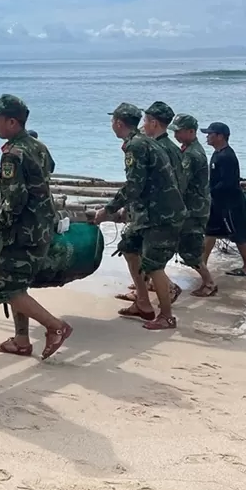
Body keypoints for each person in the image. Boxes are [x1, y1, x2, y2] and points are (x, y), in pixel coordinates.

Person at [0, 95, 72, 359]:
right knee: (18, 285)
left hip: (22, 232)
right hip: (42, 227)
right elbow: (49, 168)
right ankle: (21, 340)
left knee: (8, 289)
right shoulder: (38, 146)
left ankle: (56, 326)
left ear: (12, 122)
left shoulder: (12, 155)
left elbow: (15, 201)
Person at [92, 103, 185, 330]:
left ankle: (167, 316)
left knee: (153, 265)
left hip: (160, 215)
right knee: (128, 247)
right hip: (148, 212)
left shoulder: (136, 145)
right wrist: (127, 207)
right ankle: (143, 303)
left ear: (118, 123)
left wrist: (108, 210)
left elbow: (134, 185)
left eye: (112, 121)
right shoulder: (142, 142)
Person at [168, 114, 217, 296]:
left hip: (193, 210)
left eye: (179, 132)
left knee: (190, 251)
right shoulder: (189, 149)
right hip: (193, 207)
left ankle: (209, 283)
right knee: (182, 247)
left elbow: (180, 183)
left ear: (191, 131)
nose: (176, 135)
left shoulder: (192, 154)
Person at [202, 122, 246, 277]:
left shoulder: (227, 156)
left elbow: (227, 183)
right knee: (210, 231)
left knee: (238, 235)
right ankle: (201, 264)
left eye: (210, 134)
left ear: (220, 136)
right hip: (218, 202)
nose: (207, 136)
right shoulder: (217, 153)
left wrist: (208, 192)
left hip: (231, 204)